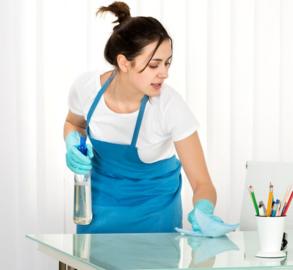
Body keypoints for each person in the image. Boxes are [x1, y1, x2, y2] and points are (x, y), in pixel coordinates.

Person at [64, 1, 230, 235]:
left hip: (156, 221)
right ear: (124, 62)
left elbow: (203, 184)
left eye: (167, 62)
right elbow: (74, 123)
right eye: (154, 65)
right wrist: (71, 141)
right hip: (98, 214)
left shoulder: (169, 106)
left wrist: (204, 209)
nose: (164, 73)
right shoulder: (86, 89)